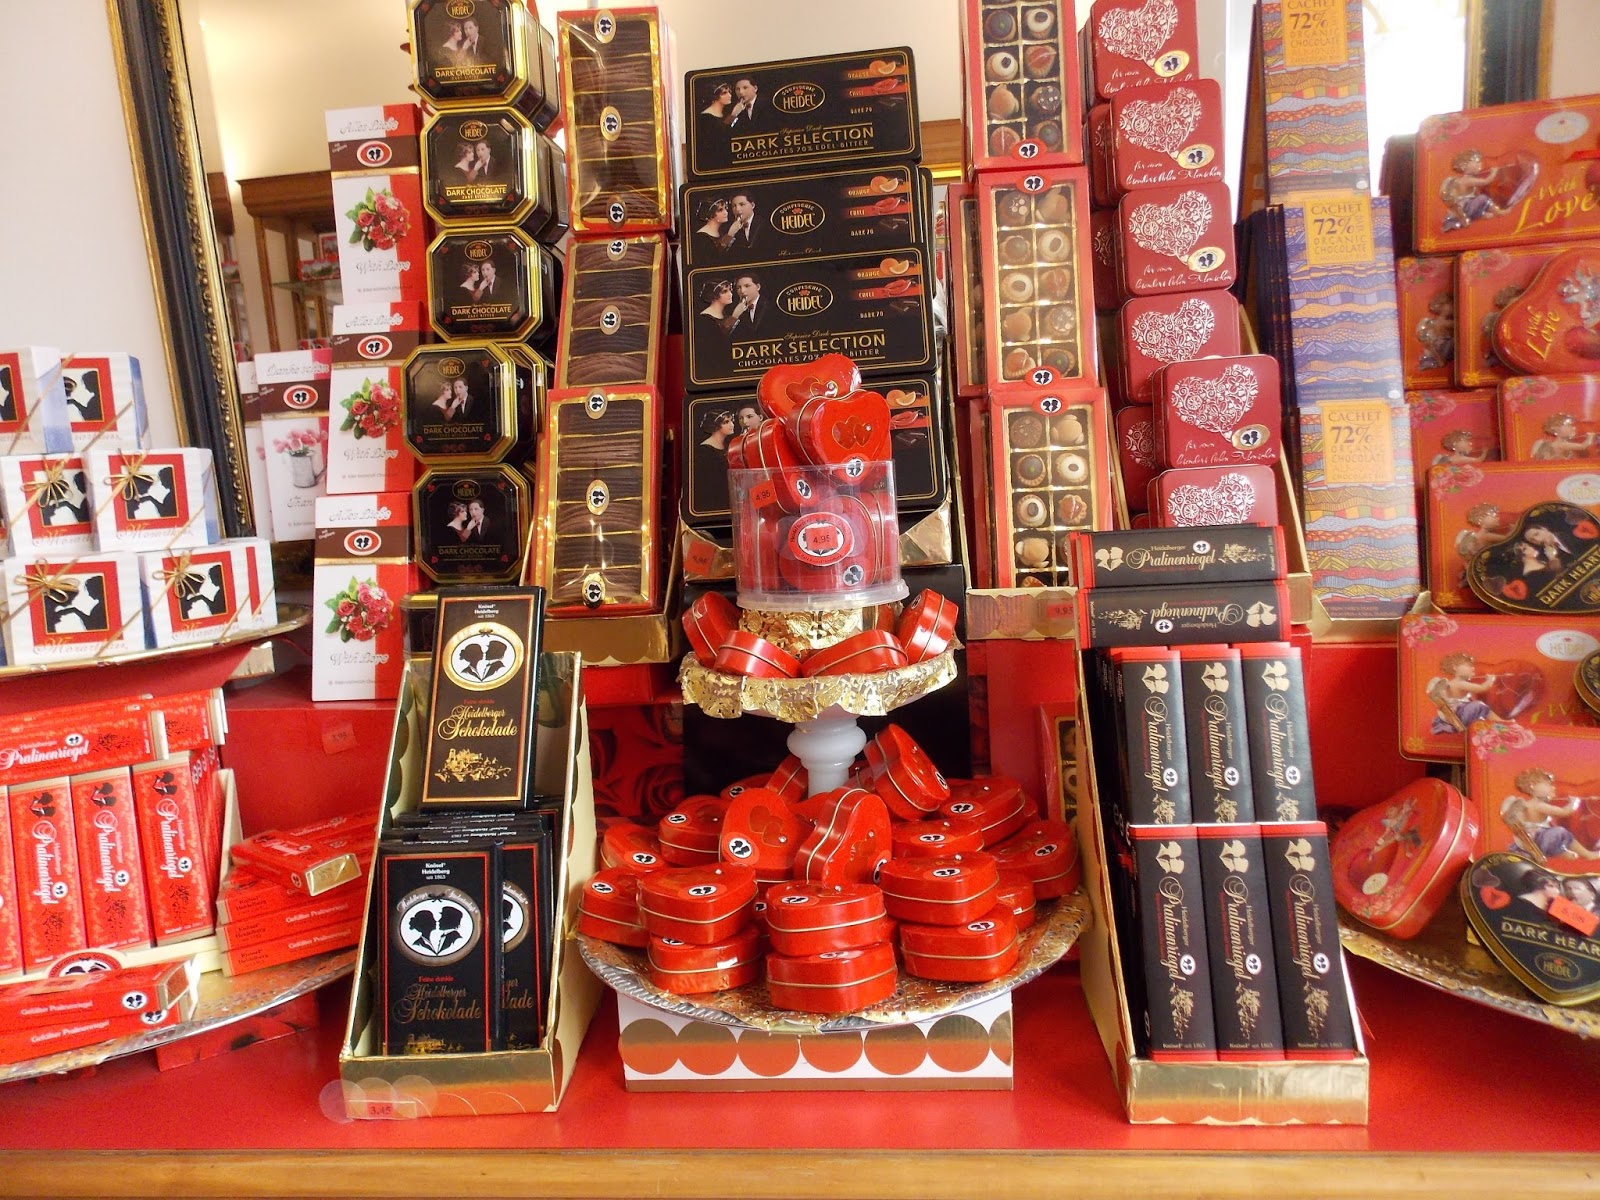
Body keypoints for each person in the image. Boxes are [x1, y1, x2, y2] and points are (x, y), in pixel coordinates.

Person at [1501, 767, 1595, 862]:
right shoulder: (1538, 805)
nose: (1552, 787)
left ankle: (1574, 852)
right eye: (1547, 785)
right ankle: (1567, 852)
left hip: (1535, 838)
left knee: (1562, 834)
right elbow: (1564, 812)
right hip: (1540, 839)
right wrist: (1574, 802)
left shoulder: (1531, 804)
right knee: (1561, 832)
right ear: (1532, 786)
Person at [1427, 651, 1496, 734]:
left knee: (1482, 708)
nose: (1473, 668)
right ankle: (1498, 722)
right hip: (1460, 715)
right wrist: (1490, 680)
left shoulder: (1453, 683)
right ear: (1455, 667)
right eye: (1468, 665)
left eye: (1472, 666)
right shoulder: (1460, 683)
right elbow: (1481, 688)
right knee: (1479, 705)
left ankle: (1498, 721)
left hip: (1458, 714)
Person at [692, 410, 735, 514]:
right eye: (726, 422)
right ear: (715, 426)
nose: (732, 425)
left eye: (731, 421)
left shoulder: (727, 445)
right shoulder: (704, 451)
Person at [1531, 413, 1597, 460]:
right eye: (1569, 426)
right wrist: (1590, 437)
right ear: (1557, 428)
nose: (1573, 428)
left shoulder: (1563, 444)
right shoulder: (1560, 444)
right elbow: (1583, 446)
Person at [729, 273, 765, 337]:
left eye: (747, 286)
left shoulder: (769, 306)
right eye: (738, 288)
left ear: (758, 287)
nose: (742, 291)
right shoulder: (733, 309)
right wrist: (735, 316)